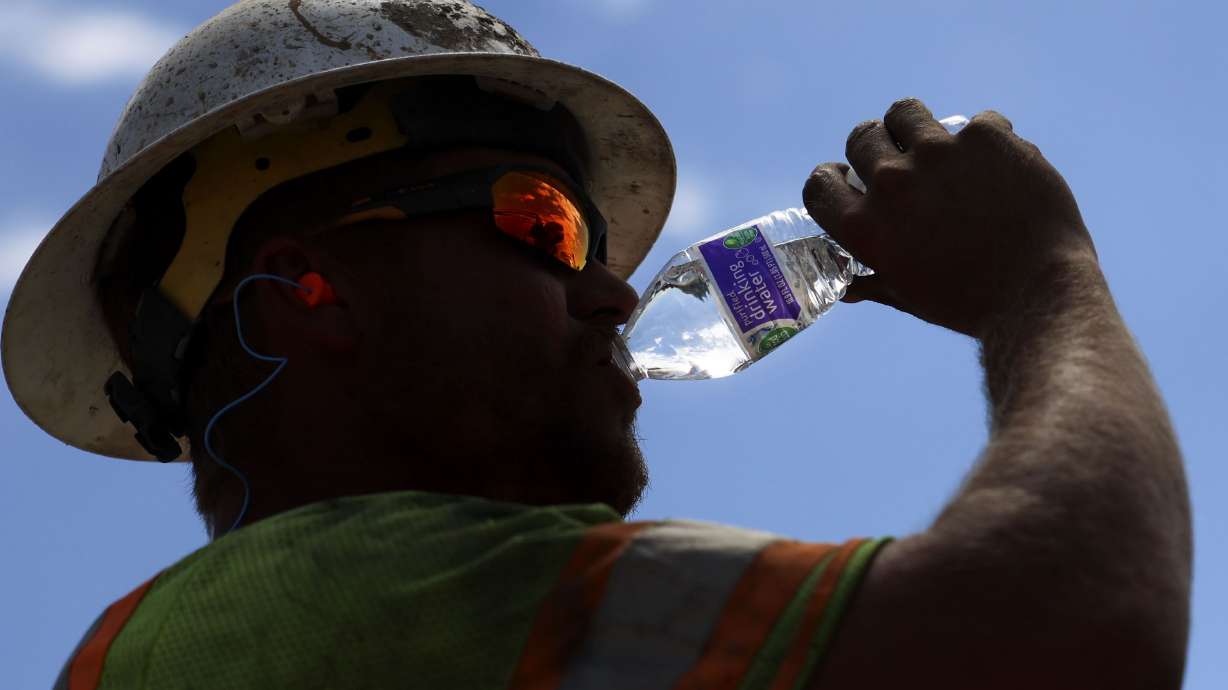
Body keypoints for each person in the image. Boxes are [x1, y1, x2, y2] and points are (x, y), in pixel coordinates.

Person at [1, 1, 1189, 689]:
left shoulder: (136, 651)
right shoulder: (414, 588)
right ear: (305, 299)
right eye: (542, 224)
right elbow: (1071, 628)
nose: (615, 299)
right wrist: (1043, 281)